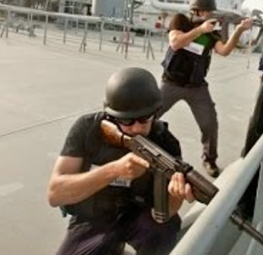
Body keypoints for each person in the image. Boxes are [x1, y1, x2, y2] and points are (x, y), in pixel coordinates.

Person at [47, 67, 195, 255]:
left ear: (155, 113)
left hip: (139, 216)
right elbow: (55, 194)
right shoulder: (88, 129)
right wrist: (114, 171)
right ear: (111, 116)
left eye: (144, 119)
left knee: (163, 232)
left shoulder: (166, 142)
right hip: (93, 220)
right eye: (127, 121)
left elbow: (164, 215)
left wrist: (176, 195)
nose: (136, 128)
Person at [159, 0, 252, 178]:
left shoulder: (211, 32)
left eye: (211, 12)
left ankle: (210, 160)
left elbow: (224, 51)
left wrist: (239, 30)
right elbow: (175, 42)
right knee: (148, 114)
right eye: (207, 12)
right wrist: (200, 30)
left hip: (197, 86)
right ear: (197, 11)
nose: (209, 15)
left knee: (210, 124)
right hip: (172, 82)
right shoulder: (180, 21)